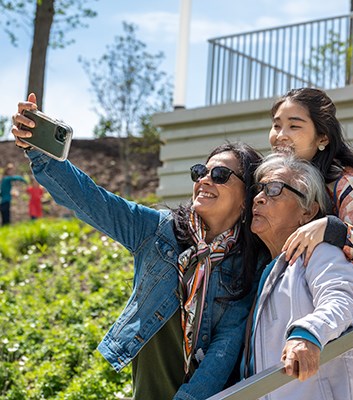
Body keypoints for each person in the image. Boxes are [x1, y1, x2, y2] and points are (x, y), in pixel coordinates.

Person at [12, 93, 264, 400]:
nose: (205, 180)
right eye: (200, 172)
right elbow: (91, 201)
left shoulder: (250, 262)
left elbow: (225, 348)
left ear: (246, 196)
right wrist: (39, 152)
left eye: (221, 175)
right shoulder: (158, 230)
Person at [242, 153, 353, 399]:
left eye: (274, 189)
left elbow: (340, 299)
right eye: (259, 189)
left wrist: (308, 333)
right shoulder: (269, 269)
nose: (259, 198)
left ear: (308, 212)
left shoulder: (320, 251)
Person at [268, 87, 353, 287]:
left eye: (294, 126)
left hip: (351, 312)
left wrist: (334, 230)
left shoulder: (348, 186)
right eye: (276, 126)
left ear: (323, 138)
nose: (281, 135)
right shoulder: (271, 178)